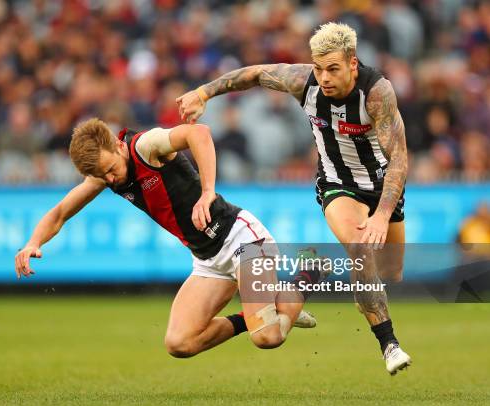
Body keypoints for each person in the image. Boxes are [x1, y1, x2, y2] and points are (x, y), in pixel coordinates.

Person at [176, 22, 411, 375]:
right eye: (319, 67)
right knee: (361, 252)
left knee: (391, 272)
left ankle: (310, 272)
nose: (325, 77)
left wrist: (381, 215)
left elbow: (400, 159)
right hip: (337, 185)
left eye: (333, 68)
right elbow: (255, 74)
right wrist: (204, 92)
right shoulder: (305, 82)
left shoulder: (376, 93)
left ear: (352, 63)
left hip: (382, 185)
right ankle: (389, 344)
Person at [15, 118, 322, 358]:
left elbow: (198, 133)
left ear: (117, 147)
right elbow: (59, 213)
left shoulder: (145, 147)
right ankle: (259, 311)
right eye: (103, 176)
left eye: (110, 169)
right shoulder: (104, 174)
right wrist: (33, 243)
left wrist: (207, 192)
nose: (110, 179)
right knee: (180, 343)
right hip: (208, 261)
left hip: (243, 240)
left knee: (268, 337)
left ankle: (310, 270)